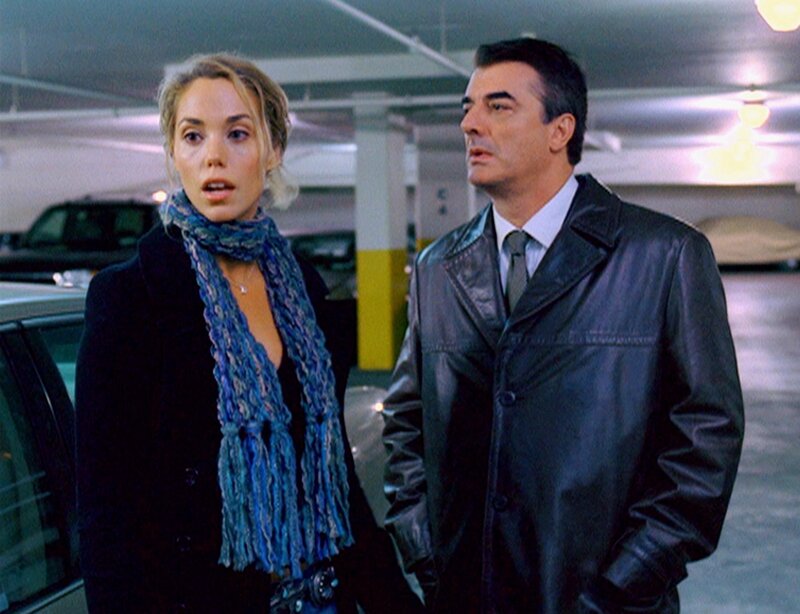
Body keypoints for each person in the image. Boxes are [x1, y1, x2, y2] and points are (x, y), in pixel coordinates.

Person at [382, 38, 744, 614]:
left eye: (499, 106)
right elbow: (406, 423)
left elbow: (705, 442)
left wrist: (619, 588)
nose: (470, 124)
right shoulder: (437, 268)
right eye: (468, 108)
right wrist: (428, 555)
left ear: (560, 130)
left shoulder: (664, 256)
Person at [76, 53, 422, 614]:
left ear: (273, 149)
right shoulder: (130, 297)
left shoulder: (302, 287)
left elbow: (332, 472)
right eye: (193, 136)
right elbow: (105, 510)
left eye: (237, 134)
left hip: (318, 595)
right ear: (173, 153)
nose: (213, 155)